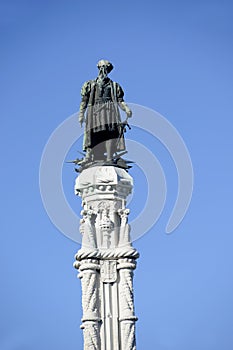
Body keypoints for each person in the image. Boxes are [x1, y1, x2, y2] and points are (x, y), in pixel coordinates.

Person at [78, 59, 132, 162]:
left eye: (106, 68)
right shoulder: (90, 84)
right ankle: (88, 157)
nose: (103, 70)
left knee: (109, 134)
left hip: (109, 111)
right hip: (94, 111)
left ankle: (109, 157)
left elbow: (120, 100)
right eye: (102, 68)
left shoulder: (114, 86)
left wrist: (126, 109)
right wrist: (81, 115)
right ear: (98, 69)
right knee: (92, 133)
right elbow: (84, 101)